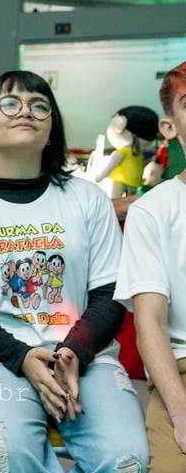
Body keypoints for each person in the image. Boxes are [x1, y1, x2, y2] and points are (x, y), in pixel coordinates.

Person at [0, 70, 148, 472]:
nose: (25, 111)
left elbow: (109, 295)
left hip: (84, 356)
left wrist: (74, 352)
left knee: (126, 460)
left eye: (39, 105)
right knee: (6, 456)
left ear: (51, 129)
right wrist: (22, 356)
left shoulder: (87, 198)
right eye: (10, 103)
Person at [116, 61, 186, 472]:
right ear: (169, 127)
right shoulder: (153, 212)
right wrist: (181, 414)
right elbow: (150, 322)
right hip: (180, 374)